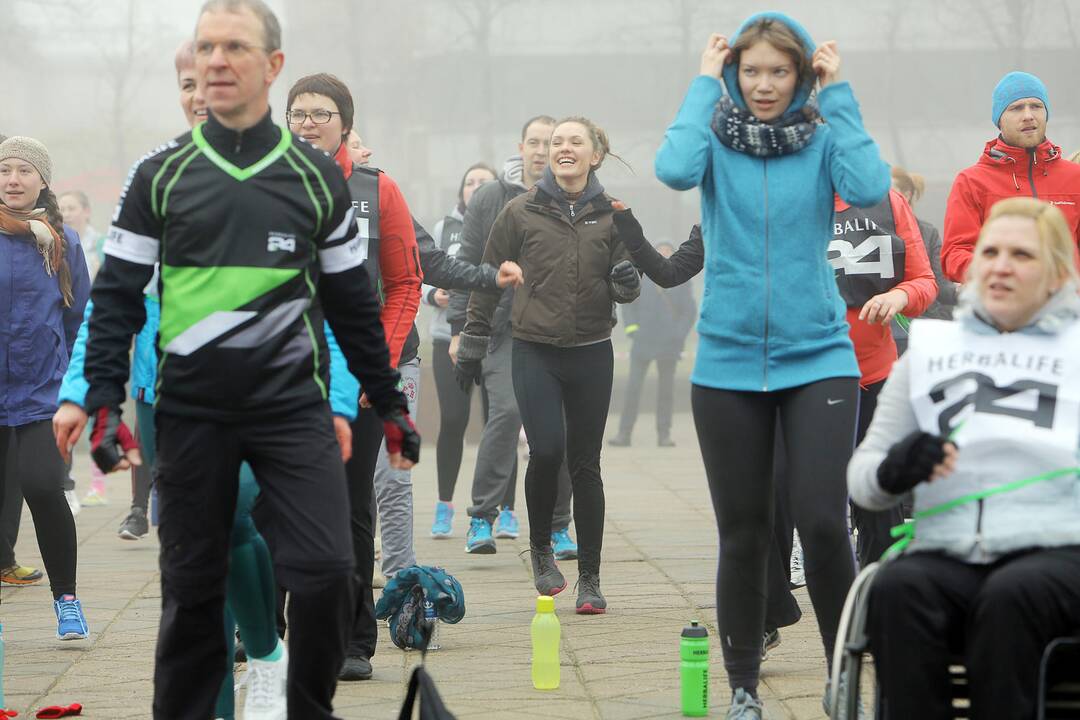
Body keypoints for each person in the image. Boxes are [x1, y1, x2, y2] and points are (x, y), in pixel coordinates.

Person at [72, 3, 420, 717]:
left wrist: (388, 404)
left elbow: (353, 305)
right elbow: (114, 298)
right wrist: (102, 399)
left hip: (292, 410)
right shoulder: (159, 176)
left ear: (273, 65)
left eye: (235, 46)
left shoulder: (319, 179)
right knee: (192, 594)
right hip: (192, 413)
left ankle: (303, 705)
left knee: (328, 571)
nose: (217, 60)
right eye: (206, 47)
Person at [654, 13, 889, 717]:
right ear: (734, 74)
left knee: (822, 520)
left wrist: (839, 92)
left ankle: (839, 672)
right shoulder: (714, 142)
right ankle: (743, 688)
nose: (763, 85)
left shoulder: (821, 140)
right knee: (746, 531)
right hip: (726, 362)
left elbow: (870, 181)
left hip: (818, 354)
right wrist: (702, 83)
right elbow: (671, 169)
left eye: (778, 71)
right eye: (750, 71)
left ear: (801, 75)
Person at [285, 73, 520, 683]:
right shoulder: (265, 183)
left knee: (349, 509)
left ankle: (354, 639)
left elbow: (405, 283)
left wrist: (378, 365)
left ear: (345, 123)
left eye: (321, 113)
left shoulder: (375, 188)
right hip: (279, 377)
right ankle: (266, 632)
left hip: (355, 381)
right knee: (270, 507)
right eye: (298, 113)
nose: (308, 123)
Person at [850, 197, 1080, 720]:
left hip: (1057, 550)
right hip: (947, 548)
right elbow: (864, 481)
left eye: (1022, 255)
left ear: (1057, 274)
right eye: (990, 251)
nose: (1000, 265)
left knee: (1010, 595)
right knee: (898, 587)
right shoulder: (932, 350)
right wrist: (897, 469)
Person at [458, 115, 642, 614]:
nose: (563, 148)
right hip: (534, 349)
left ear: (593, 155)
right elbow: (487, 278)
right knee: (546, 451)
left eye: (574, 141)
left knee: (586, 464)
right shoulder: (519, 212)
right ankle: (541, 550)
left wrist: (625, 282)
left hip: (591, 352)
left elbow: (629, 280)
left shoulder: (613, 215)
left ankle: (591, 578)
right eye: (557, 141)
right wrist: (473, 338)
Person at [447, 116, 579, 560]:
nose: (542, 151)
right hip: (502, 327)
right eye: (535, 142)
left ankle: (559, 528)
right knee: (505, 412)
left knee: (556, 431)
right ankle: (481, 516)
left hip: (556, 330)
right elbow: (465, 262)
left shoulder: (570, 196)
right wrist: (458, 328)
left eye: (550, 142)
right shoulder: (490, 197)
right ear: (520, 147)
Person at [0, 135, 92, 640]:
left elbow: (81, 319)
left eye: (23, 171)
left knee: (42, 486)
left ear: (42, 180)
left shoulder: (63, 242)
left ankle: (68, 601)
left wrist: (78, 386)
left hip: (42, 391)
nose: (12, 179)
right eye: (4, 169)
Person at [941, 72, 1080, 283]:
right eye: (1016, 108)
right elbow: (954, 255)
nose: (1028, 115)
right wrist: (1004, 275)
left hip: (1068, 308)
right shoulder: (971, 181)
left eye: (1036, 106)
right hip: (1002, 308)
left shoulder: (1075, 176)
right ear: (999, 120)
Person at [425, 162, 497, 537]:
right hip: (445, 339)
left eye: (484, 182)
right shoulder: (443, 228)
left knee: (498, 423)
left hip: (493, 338)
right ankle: (444, 504)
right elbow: (419, 269)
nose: (475, 187)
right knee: (452, 421)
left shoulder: (507, 221)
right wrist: (431, 294)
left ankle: (503, 509)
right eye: (469, 182)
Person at [609, 241, 696, 447]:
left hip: (669, 344)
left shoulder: (680, 279)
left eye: (668, 250)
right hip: (643, 342)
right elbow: (629, 304)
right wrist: (633, 330)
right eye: (660, 250)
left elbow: (689, 312)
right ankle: (624, 433)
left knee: (666, 392)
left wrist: (678, 334)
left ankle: (664, 434)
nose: (664, 253)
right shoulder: (643, 275)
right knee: (633, 390)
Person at [891, 166, 959, 322]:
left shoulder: (927, 233)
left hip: (923, 319)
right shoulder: (865, 228)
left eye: (889, 192)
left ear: (906, 195)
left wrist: (963, 292)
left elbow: (940, 284)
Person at [58, 191, 104, 278]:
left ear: (87, 211)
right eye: (62, 210)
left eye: (71, 209)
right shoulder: (55, 246)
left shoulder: (102, 245)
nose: (66, 214)